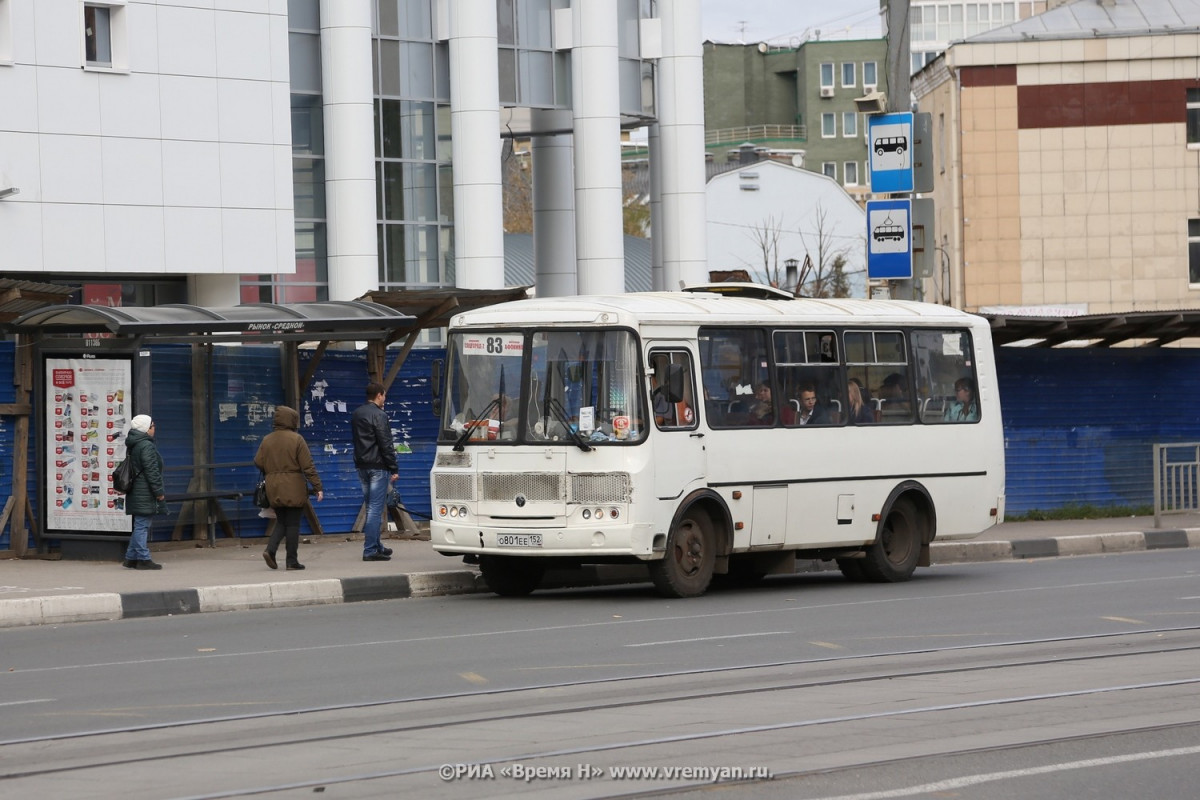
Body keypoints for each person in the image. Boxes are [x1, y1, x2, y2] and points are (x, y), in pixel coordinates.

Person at [254, 405, 323, 571]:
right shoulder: (296, 439)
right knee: (292, 524)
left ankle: (270, 550)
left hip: (273, 487)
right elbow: (308, 466)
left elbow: (258, 461)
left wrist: (273, 469)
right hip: (293, 487)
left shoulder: (267, 440)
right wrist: (317, 486)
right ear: (292, 420)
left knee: (282, 521)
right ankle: (292, 561)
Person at [351, 382, 399, 561]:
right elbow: (385, 443)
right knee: (374, 510)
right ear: (379, 395)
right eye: (384, 395)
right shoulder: (380, 415)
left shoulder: (357, 414)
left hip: (362, 467)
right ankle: (370, 550)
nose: (385, 399)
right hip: (378, 467)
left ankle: (378, 545)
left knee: (372, 507)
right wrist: (393, 467)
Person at [122, 414, 167, 570]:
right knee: (142, 525)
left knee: (140, 524)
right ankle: (143, 558)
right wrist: (159, 492)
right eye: (152, 425)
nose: (154, 428)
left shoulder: (134, 443)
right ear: (146, 429)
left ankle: (130, 558)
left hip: (137, 489)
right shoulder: (146, 445)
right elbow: (151, 471)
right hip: (145, 490)